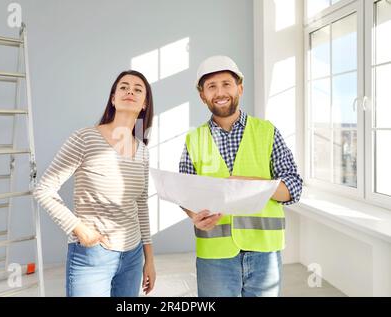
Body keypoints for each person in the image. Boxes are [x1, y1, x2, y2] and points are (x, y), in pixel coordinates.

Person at [179, 56, 302, 297]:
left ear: (240, 89)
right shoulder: (193, 139)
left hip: (264, 253)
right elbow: (185, 192)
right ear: (202, 95)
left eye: (226, 84)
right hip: (215, 254)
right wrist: (194, 214)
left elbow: (294, 188)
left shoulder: (267, 132)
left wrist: (253, 185)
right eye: (211, 86)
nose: (220, 92)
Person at [33, 70, 156, 297]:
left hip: (132, 256)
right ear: (113, 98)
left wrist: (149, 259)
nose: (130, 91)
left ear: (144, 104)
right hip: (92, 255)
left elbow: (141, 204)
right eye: (123, 87)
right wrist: (78, 229)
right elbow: (43, 189)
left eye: (138, 89)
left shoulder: (143, 152)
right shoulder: (85, 138)